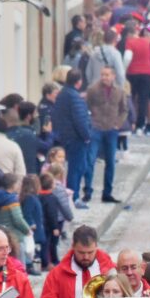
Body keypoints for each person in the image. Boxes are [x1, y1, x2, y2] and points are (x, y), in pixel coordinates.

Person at [39, 225, 115, 298]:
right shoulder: (57, 274)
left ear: (96, 247)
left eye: (90, 252)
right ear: (73, 247)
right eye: (81, 253)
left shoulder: (110, 269)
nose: (86, 257)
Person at [52, 70, 96, 210]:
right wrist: (87, 136)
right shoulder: (75, 97)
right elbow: (80, 120)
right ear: (79, 82)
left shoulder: (62, 94)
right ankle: (73, 197)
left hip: (64, 136)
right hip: (76, 138)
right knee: (77, 168)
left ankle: (69, 196)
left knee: (72, 167)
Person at [86, 66, 130, 205]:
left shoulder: (119, 91)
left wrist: (118, 124)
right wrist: (91, 122)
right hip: (96, 128)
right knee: (91, 160)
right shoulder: (93, 90)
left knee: (110, 162)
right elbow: (86, 107)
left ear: (113, 76)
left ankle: (107, 193)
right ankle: (87, 191)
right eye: (102, 74)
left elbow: (124, 110)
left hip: (112, 129)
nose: (104, 77)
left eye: (107, 75)